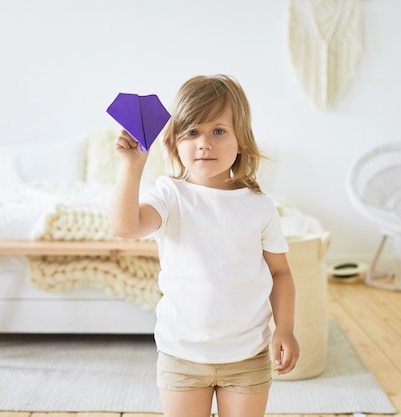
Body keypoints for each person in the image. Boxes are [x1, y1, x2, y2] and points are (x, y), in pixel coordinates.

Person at [108, 74, 299, 417]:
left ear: (241, 141)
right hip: (182, 355)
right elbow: (126, 226)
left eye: (219, 131)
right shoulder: (170, 196)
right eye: (192, 131)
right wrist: (131, 167)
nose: (204, 143)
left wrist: (285, 329)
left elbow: (281, 273)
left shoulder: (259, 206)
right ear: (175, 142)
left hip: (247, 356)